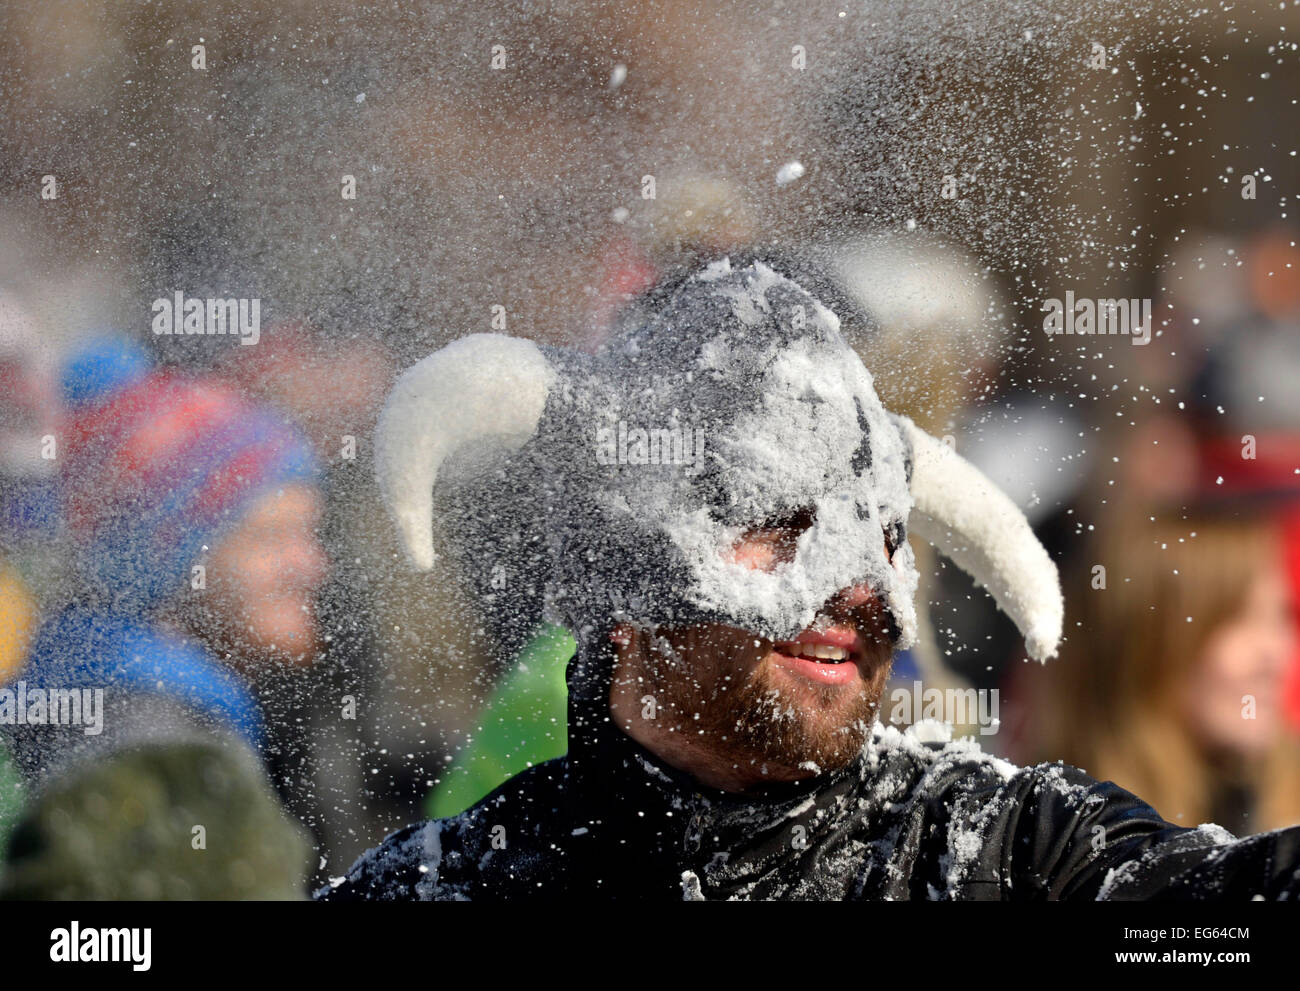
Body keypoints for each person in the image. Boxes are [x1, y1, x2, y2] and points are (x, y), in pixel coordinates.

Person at [320, 260, 1300, 901]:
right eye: (777, 522)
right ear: (618, 568)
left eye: (878, 533)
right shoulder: (446, 890)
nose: (858, 588)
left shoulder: (1000, 855)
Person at [1, 360, 324, 899]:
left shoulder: (110, 695)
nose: (311, 566)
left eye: (311, 532)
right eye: (271, 537)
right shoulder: (154, 747)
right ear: (158, 562)